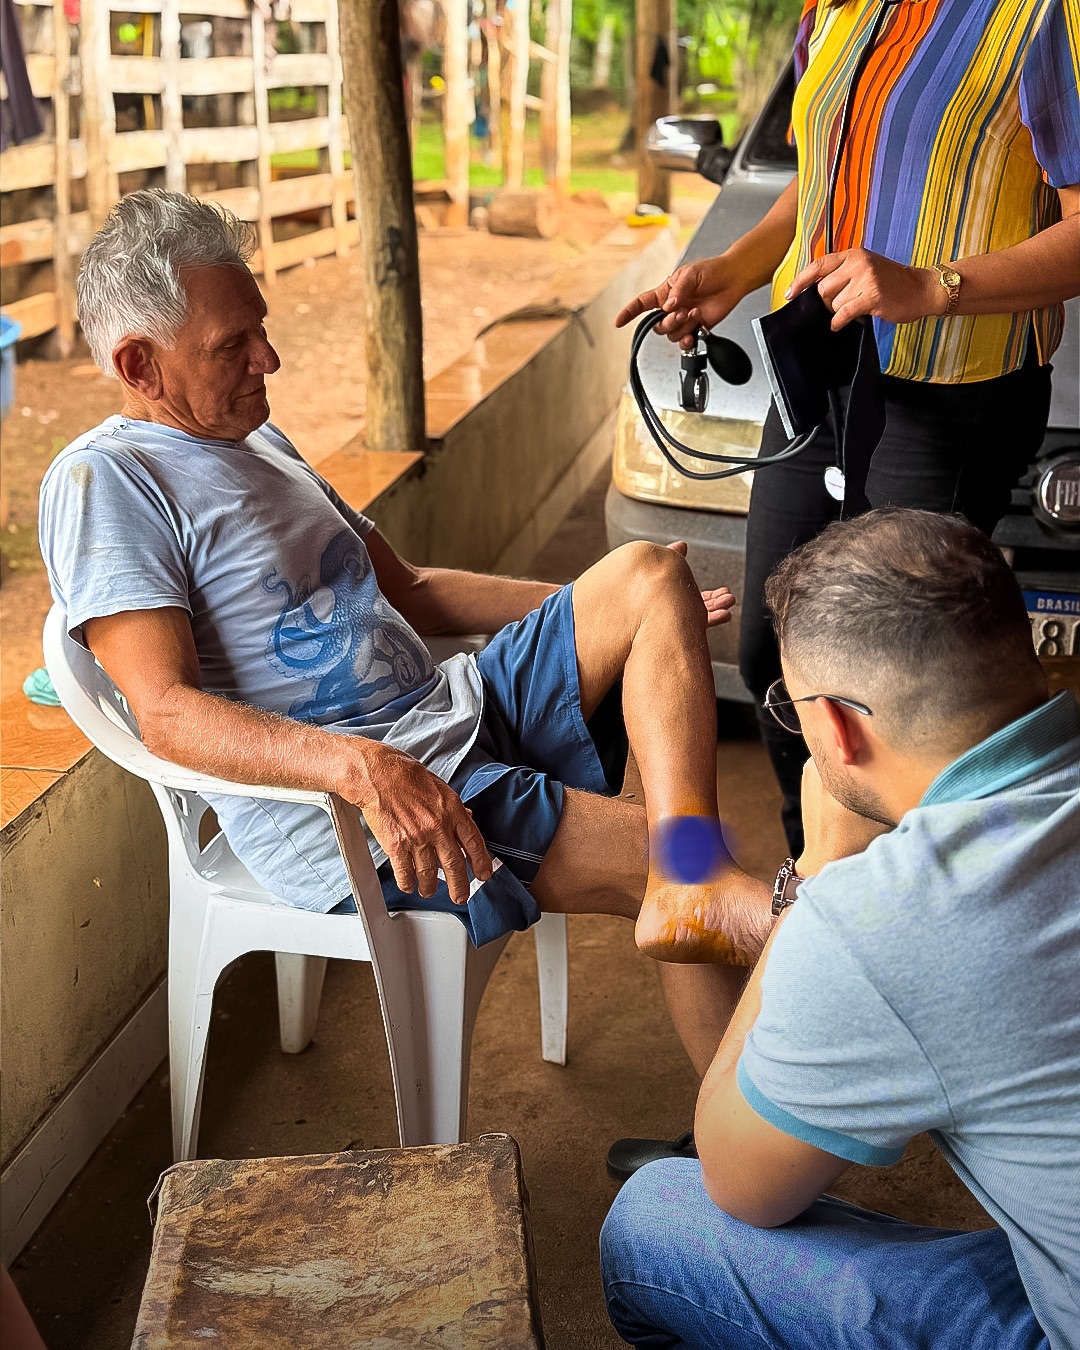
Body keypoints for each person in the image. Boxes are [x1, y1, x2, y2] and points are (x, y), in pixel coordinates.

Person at [39, 188, 781, 1082]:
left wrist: (598, 612)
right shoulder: (107, 482)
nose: (267, 358)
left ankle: (689, 875)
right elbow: (164, 713)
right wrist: (359, 768)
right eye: (232, 346)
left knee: (649, 576)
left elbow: (418, 592)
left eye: (260, 329)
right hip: (359, 812)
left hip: (448, 714)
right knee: (673, 859)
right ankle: (741, 1160)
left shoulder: (260, 442)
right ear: (139, 363)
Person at [600, 507, 1080, 1350]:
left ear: (837, 729)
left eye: (790, 710)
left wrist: (816, 877)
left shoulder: (882, 916)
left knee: (653, 1218)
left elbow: (737, 1184)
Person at [616, 0, 1080, 856]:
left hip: (954, 388)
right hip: (824, 367)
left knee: (891, 688)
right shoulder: (836, 7)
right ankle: (824, 873)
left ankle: (903, 899)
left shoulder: (1043, 17)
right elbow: (825, 177)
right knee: (772, 651)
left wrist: (931, 284)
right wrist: (733, 268)